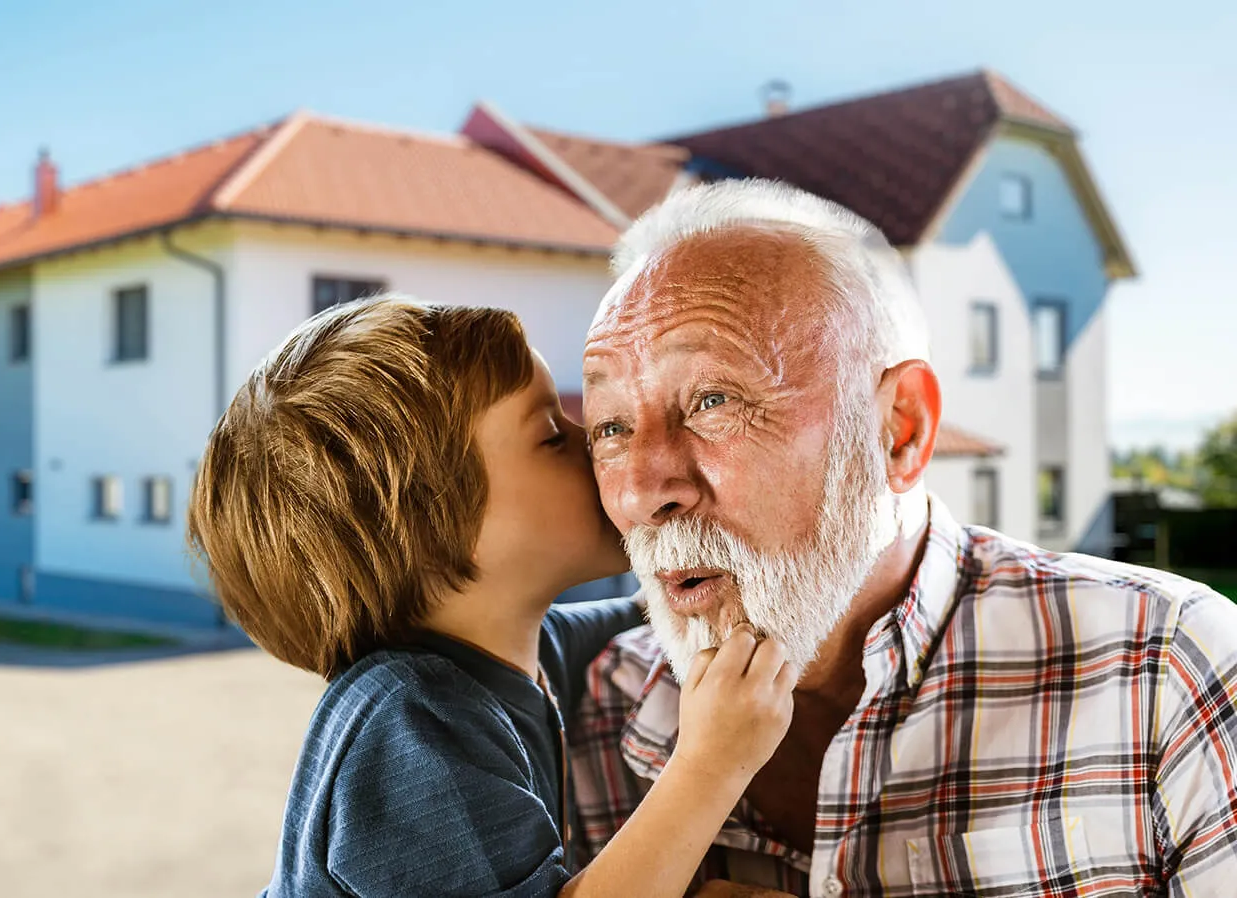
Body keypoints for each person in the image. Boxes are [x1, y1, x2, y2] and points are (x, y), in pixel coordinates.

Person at [572, 179, 1237, 896]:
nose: (641, 490)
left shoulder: (1167, 669)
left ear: (900, 429)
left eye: (713, 400)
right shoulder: (592, 710)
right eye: (610, 426)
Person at [187, 296, 800, 897]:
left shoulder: (527, 653)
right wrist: (710, 766)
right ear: (433, 527)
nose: (599, 443)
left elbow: (647, 609)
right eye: (550, 436)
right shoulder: (410, 722)